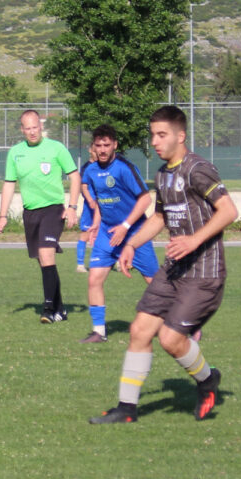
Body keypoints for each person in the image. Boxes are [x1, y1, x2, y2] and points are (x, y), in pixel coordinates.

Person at [90, 106, 238, 424]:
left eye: (162, 135)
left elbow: (228, 211)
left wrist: (194, 240)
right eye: (153, 135)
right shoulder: (162, 174)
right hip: (173, 270)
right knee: (139, 330)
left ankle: (207, 380)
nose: (155, 141)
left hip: (203, 273)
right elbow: (159, 217)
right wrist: (131, 244)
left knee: (170, 339)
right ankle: (126, 408)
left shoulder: (198, 169)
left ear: (180, 136)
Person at [0, 109, 81, 324]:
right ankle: (60, 309)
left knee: (46, 254)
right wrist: (3, 215)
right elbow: (9, 184)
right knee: (43, 261)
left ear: (41, 126)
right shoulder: (15, 153)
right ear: (22, 130)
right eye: (28, 128)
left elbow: (75, 176)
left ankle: (48, 309)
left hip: (53, 209)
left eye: (35, 127)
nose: (32, 132)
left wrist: (72, 207)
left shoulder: (56, 148)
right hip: (30, 212)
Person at [79, 124, 159, 344]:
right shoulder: (91, 171)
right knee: (94, 278)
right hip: (107, 233)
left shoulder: (124, 168)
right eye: (98, 145)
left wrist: (125, 226)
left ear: (115, 144)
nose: (102, 149)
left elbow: (145, 199)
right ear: (93, 147)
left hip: (134, 232)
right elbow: (100, 202)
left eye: (107, 145)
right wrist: (96, 224)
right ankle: (99, 331)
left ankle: (184, 324)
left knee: (155, 283)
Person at [76, 143, 97, 273]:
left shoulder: (103, 166)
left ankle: (114, 262)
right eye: (95, 150)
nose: (98, 153)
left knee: (108, 233)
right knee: (85, 234)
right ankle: (80, 264)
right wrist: (90, 200)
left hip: (104, 205)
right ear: (90, 150)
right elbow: (83, 187)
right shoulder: (86, 168)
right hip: (90, 207)